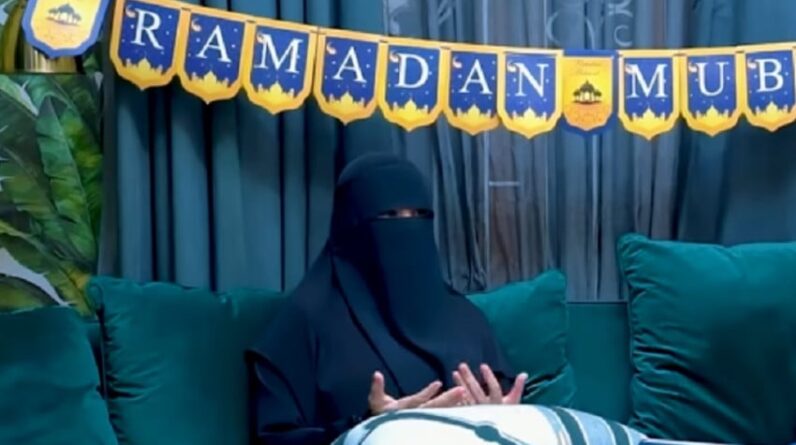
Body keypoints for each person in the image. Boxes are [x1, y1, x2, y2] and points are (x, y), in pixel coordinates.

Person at [247, 154, 528, 445]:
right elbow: (274, 439)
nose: (407, 229)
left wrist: (502, 418)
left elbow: (509, 412)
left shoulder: (464, 317)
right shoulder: (305, 321)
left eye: (419, 215)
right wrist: (370, 427)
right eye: (390, 216)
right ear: (350, 225)